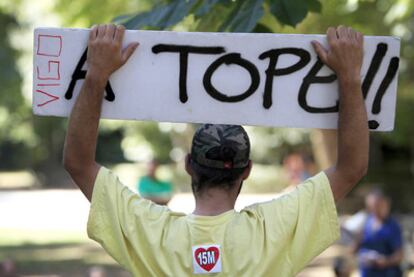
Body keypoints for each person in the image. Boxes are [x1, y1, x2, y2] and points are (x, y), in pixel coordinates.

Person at [63, 24, 369, 276]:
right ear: (246, 171)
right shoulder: (271, 230)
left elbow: (78, 163)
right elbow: (351, 168)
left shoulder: (152, 231)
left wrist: (96, 75)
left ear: (188, 165)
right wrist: (350, 77)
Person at [354, 189, 403, 277]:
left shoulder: (393, 226)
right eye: (372, 206)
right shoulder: (366, 222)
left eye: (377, 205)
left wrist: (386, 261)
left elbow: (399, 255)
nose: (375, 209)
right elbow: (354, 249)